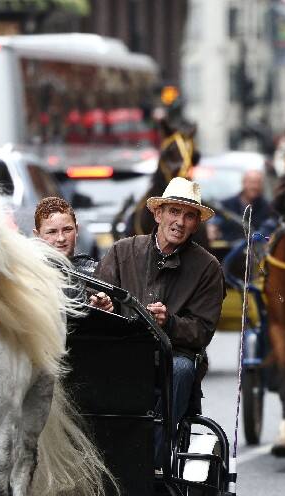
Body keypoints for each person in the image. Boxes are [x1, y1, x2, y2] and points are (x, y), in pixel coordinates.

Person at [89, 177, 225, 465]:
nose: (180, 222)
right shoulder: (122, 251)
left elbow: (202, 331)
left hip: (171, 357)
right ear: (158, 214)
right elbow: (96, 297)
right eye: (174, 212)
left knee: (180, 369)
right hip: (121, 352)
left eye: (189, 216)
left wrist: (170, 322)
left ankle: (149, 460)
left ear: (196, 223)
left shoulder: (208, 268)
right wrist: (104, 305)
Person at [33, 196, 97, 273]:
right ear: (37, 235)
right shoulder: (28, 275)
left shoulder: (95, 272)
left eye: (67, 230)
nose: (61, 238)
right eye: (52, 232)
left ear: (76, 230)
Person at [211, 168, 273, 245]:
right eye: (252, 182)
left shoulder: (267, 208)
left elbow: (270, 231)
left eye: (258, 183)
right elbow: (213, 222)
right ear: (244, 183)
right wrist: (211, 227)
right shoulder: (225, 205)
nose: (255, 187)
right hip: (226, 252)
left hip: (255, 253)